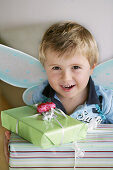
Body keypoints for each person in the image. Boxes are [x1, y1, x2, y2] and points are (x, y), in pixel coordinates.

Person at [4, 21, 113, 162]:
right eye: (56, 68)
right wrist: (16, 152)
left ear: (91, 67)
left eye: (75, 67)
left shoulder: (105, 101)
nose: (66, 78)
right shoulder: (40, 98)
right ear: (45, 68)